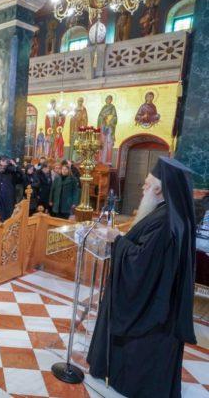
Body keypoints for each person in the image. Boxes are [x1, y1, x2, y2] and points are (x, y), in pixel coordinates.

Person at [87, 156, 196, 398]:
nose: (143, 188)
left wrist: (117, 239)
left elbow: (143, 263)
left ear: (159, 189)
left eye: (147, 184)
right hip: (163, 302)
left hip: (152, 310)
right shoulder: (170, 213)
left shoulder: (166, 222)